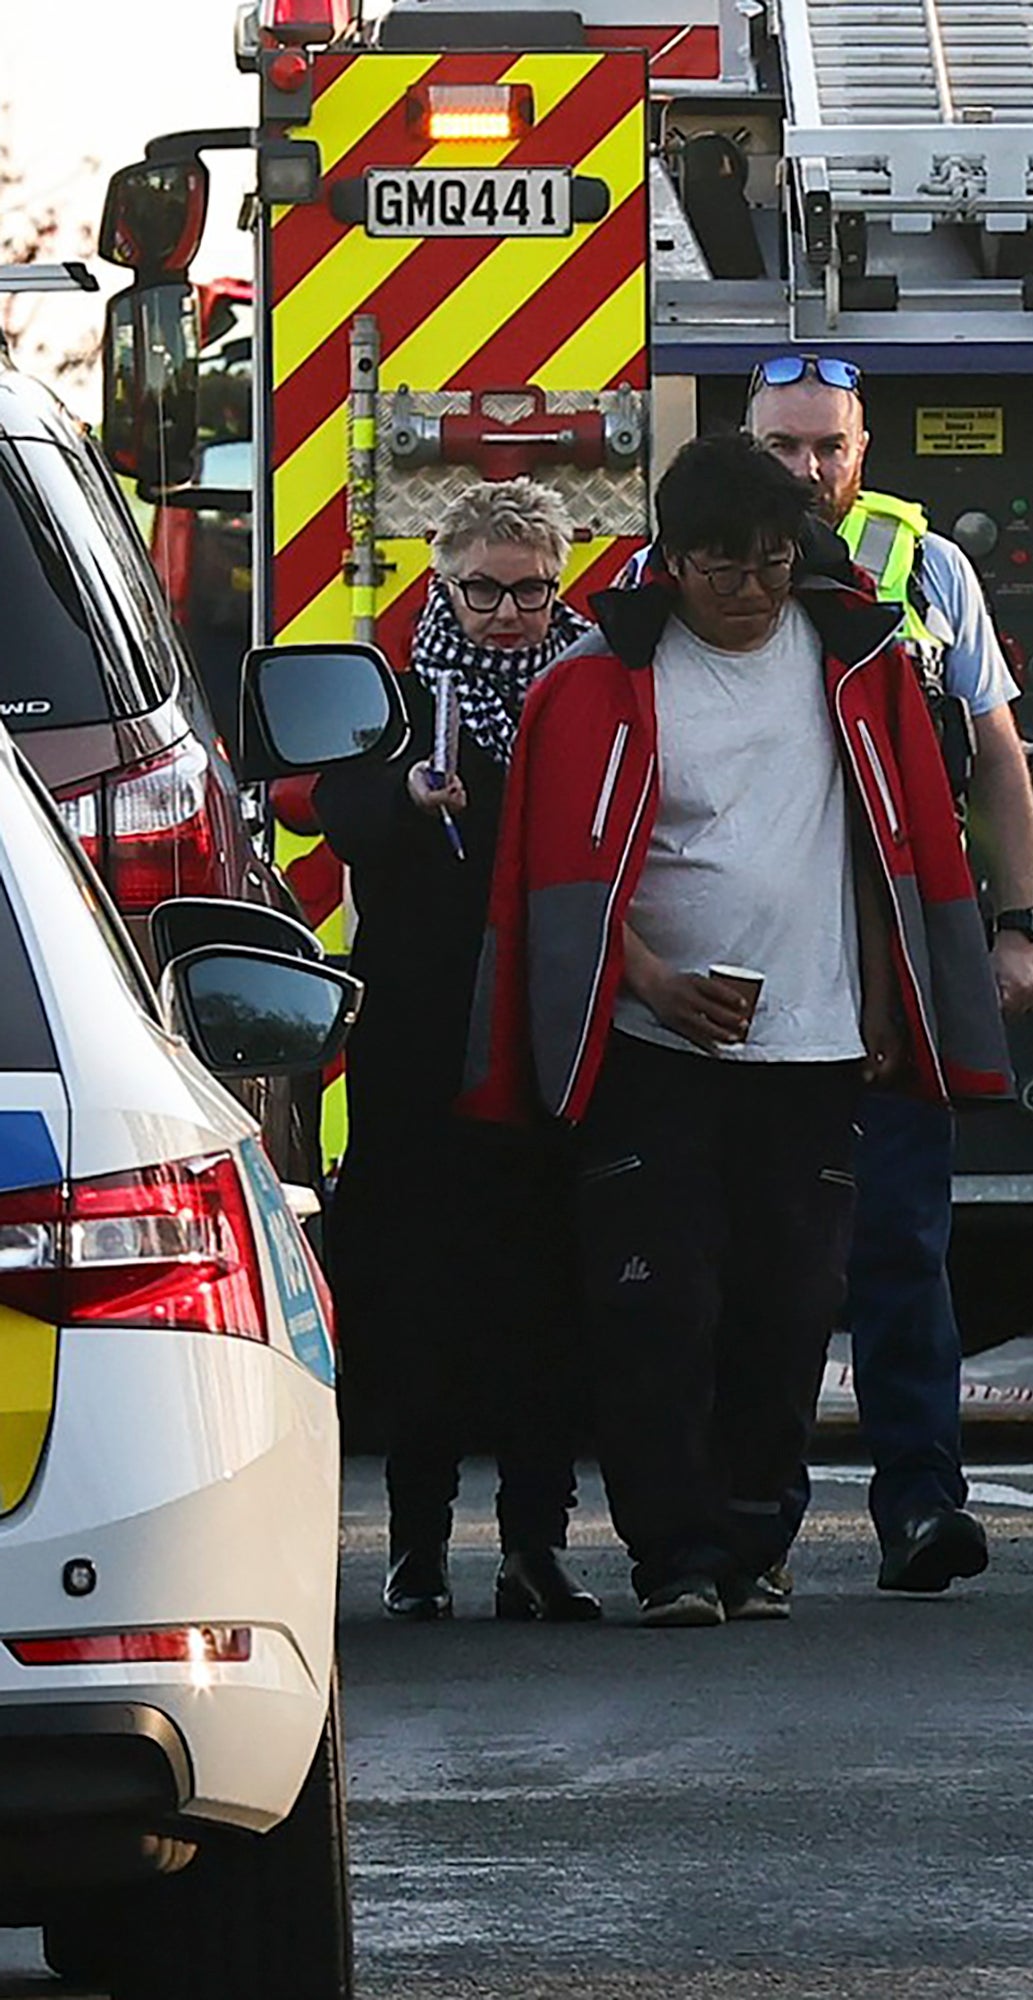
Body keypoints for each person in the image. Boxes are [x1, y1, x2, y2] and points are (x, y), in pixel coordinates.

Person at [461, 434, 1012, 1628]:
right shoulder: (597, 682)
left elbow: (885, 843)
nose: (753, 589)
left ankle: (758, 1538)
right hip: (653, 1050)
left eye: (773, 562)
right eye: (724, 568)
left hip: (812, 1041)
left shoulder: (860, 669)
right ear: (672, 561)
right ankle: (675, 1557)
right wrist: (649, 982)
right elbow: (562, 875)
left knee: (790, 1303)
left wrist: (880, 991)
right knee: (658, 1306)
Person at [745, 354, 1033, 1595]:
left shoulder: (928, 567)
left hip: (893, 957)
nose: (808, 470)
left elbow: (994, 755)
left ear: (863, 448)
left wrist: (1020, 922)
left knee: (903, 1249)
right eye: (783, 446)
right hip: (750, 967)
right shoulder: (688, 563)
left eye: (829, 446)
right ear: (745, 443)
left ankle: (922, 1505)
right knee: (762, 1260)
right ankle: (752, 1519)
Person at [318, 479, 597, 1624]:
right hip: (421, 1040)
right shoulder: (393, 693)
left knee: (550, 1289)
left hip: (548, 1028)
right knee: (421, 1293)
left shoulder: (592, 688)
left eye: (529, 590)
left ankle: (537, 1544)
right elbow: (332, 808)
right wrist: (404, 794)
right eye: (482, 589)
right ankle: (417, 1546)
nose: (506, 613)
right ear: (444, 585)